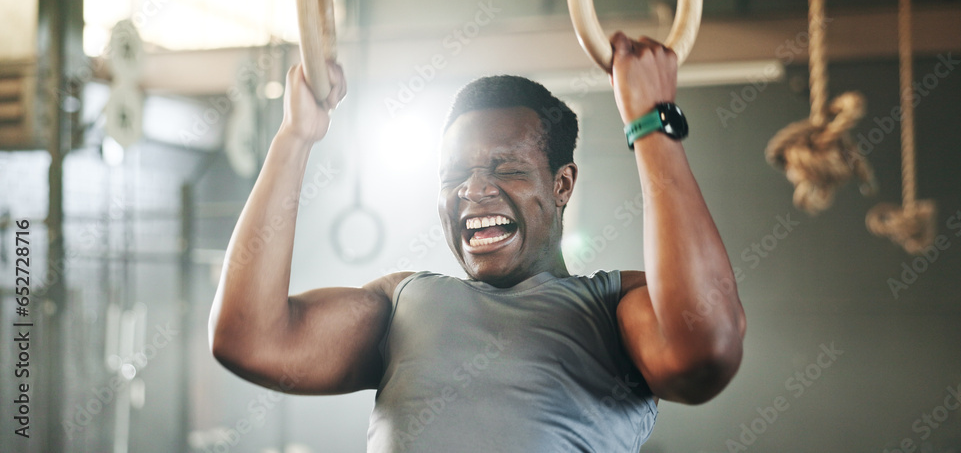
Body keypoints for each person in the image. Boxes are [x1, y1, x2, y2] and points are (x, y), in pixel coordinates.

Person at [209, 32, 746, 452]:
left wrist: (652, 124)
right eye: (453, 175)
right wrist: (295, 136)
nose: (472, 188)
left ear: (561, 186)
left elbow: (707, 351)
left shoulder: (614, 308)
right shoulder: (402, 303)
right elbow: (247, 338)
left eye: (505, 168)